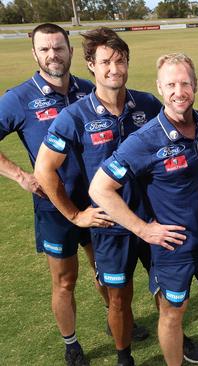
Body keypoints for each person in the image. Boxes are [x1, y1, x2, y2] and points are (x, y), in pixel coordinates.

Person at [89, 53, 198, 366]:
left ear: (195, 85)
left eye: (185, 83)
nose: (179, 90)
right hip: (173, 245)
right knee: (174, 312)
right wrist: (143, 229)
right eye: (171, 84)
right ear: (159, 88)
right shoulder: (144, 139)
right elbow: (99, 188)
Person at [34, 27, 161, 366]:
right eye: (105, 62)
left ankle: (177, 339)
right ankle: (124, 357)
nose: (114, 69)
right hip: (110, 227)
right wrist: (76, 216)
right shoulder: (74, 116)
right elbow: (44, 169)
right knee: (119, 299)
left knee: (167, 293)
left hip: (153, 219)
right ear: (91, 65)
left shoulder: (147, 104)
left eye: (120, 61)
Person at [0, 22, 106, 366]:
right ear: (35, 53)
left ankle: (116, 317)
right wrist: (19, 175)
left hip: (94, 201)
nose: (52, 55)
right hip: (53, 206)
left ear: (71, 51)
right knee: (64, 280)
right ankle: (71, 343)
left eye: (58, 47)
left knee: (104, 267)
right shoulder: (18, 98)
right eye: (45, 49)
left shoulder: (89, 90)